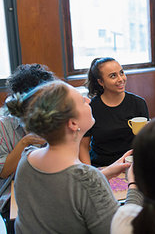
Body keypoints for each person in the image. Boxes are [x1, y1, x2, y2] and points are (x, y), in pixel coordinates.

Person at [6, 80, 141, 234]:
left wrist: (105, 172)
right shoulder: (86, 179)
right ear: (72, 123)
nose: (88, 100)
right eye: (82, 101)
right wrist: (134, 184)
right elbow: (121, 229)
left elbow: (63, 188)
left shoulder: (27, 158)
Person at [0, 64, 54, 218]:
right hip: (13, 195)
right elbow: (4, 172)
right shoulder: (4, 125)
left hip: (50, 188)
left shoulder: (53, 119)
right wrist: (25, 142)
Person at [80, 57, 149, 167]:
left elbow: (146, 142)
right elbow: (83, 146)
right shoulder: (91, 108)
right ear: (101, 82)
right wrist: (90, 174)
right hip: (102, 166)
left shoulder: (138, 103)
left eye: (121, 73)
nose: (121, 79)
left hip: (131, 165)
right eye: (113, 76)